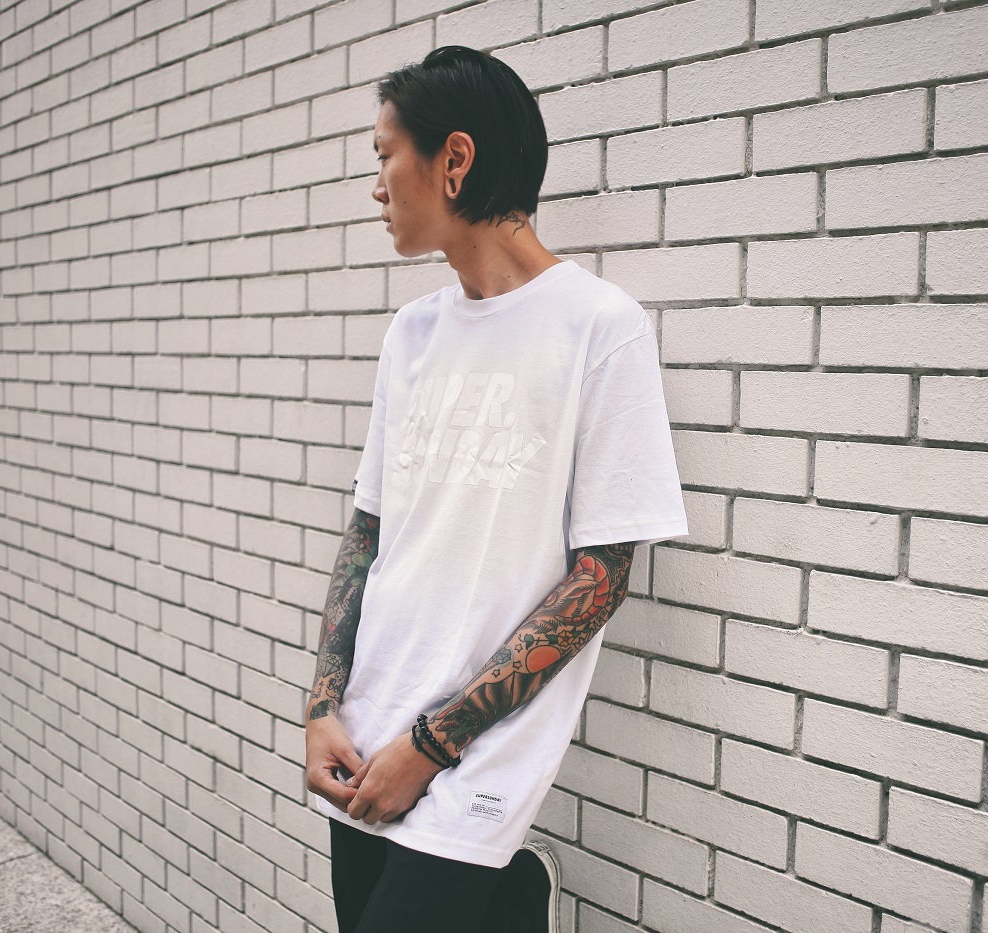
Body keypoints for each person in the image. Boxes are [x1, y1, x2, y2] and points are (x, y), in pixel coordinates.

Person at [304, 45, 690, 933]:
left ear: (455, 160)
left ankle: (513, 891)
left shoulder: (600, 328)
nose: (375, 186)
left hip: (475, 756)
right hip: (365, 732)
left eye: (384, 155)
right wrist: (324, 706)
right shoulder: (411, 333)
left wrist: (433, 743)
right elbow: (367, 532)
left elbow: (601, 577)